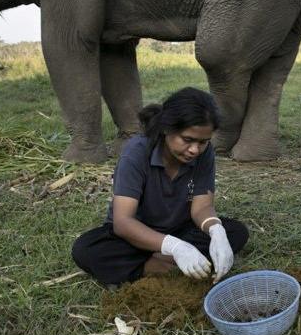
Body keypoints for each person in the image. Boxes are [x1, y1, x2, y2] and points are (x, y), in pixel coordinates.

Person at [72, 87, 249, 287]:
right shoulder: (136, 152)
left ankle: (163, 261)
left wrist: (216, 231)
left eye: (203, 142)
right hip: (136, 235)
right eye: (188, 140)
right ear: (167, 129)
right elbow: (123, 222)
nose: (194, 150)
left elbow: (201, 208)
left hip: (181, 229)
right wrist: (175, 247)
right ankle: (151, 266)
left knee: (235, 231)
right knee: (86, 249)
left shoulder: (204, 154)